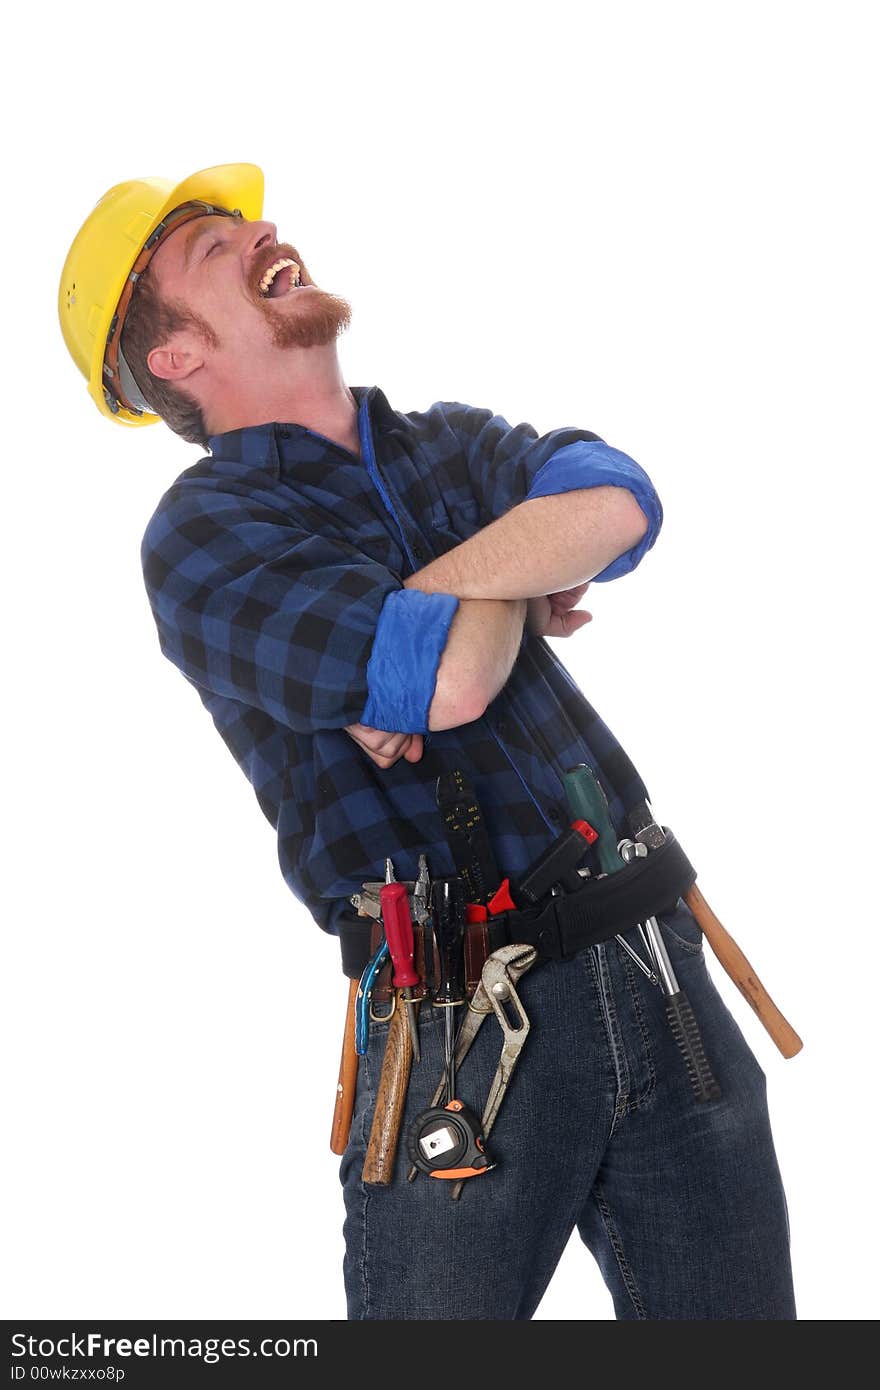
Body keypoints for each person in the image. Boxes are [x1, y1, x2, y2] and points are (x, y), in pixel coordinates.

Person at [58, 163, 796, 1320]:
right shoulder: (204, 538)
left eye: (251, 220)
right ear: (175, 356)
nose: (262, 231)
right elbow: (451, 680)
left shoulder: (443, 441)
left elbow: (620, 503)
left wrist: (442, 594)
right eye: (213, 248)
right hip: (453, 1029)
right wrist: (516, 564)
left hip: (656, 965)